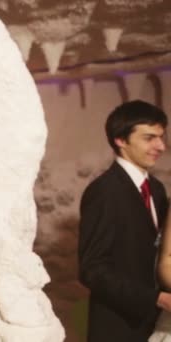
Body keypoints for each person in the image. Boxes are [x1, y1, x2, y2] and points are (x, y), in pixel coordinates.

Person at [78, 100, 171, 342]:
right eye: (149, 138)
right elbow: (93, 270)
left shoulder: (157, 189)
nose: (160, 145)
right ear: (120, 140)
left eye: (162, 137)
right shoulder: (104, 191)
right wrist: (155, 298)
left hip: (156, 325)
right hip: (118, 328)